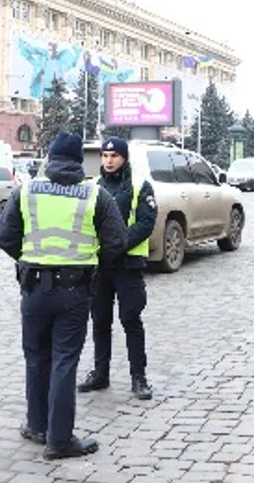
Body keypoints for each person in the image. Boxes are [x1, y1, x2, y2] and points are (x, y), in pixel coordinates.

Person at [0, 132, 128, 460]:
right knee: (64, 361)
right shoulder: (95, 195)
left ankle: (36, 425)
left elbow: (4, 236)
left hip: (33, 288)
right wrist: (89, 264)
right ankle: (59, 439)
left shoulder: (26, 191)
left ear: (50, 159)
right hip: (74, 289)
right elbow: (116, 242)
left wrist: (31, 260)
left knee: (36, 357)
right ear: (79, 162)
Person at [77, 137, 156, 400]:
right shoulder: (93, 187)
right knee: (100, 320)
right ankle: (101, 373)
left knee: (131, 320)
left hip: (128, 264)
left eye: (114, 156)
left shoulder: (139, 185)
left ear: (124, 158)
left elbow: (145, 223)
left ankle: (139, 377)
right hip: (100, 266)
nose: (109, 161)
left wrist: (117, 245)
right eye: (105, 156)